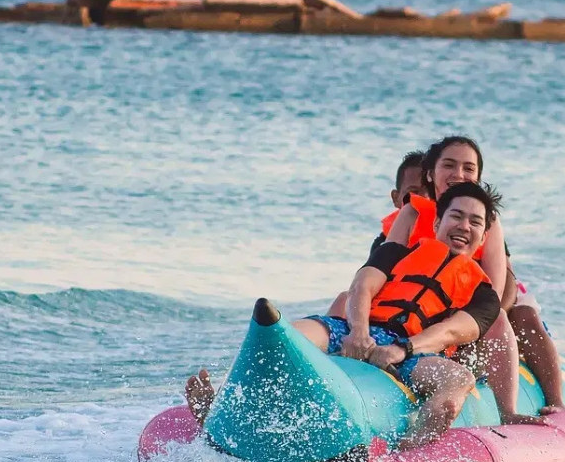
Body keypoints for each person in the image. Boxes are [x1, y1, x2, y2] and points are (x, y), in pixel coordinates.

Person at [191, 182, 505, 448]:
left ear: (484, 235)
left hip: (414, 352)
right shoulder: (398, 252)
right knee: (286, 336)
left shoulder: (485, 294)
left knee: (458, 381)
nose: (464, 226)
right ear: (437, 223)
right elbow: (362, 287)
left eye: (475, 221)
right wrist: (358, 331)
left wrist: (402, 349)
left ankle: (408, 453)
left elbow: (453, 331)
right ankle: (219, 408)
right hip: (357, 329)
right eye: (456, 216)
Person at [384, 136, 565, 415]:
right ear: (431, 174)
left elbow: (500, 289)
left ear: (479, 177)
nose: (459, 174)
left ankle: (555, 401)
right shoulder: (412, 213)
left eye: (468, 168)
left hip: (476, 311)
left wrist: (471, 325)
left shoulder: (485, 219)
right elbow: (381, 272)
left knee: (519, 316)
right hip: (421, 310)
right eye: (449, 165)